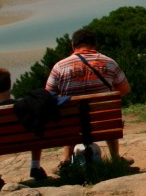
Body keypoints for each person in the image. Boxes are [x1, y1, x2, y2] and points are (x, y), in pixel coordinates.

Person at [45, 28, 132, 167]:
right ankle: (115, 157)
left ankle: (66, 161)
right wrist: (105, 96)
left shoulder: (60, 67)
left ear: (73, 45)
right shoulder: (109, 63)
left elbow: (48, 95)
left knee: (70, 117)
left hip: (71, 124)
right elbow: (125, 89)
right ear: (95, 44)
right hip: (105, 123)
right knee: (106, 112)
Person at [0, 65, 48, 190]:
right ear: (9, 85)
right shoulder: (26, 105)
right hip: (27, 140)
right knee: (35, 129)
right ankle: (35, 166)